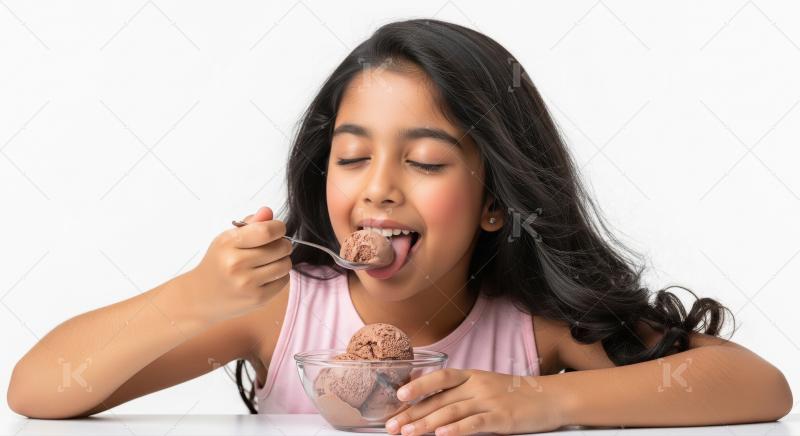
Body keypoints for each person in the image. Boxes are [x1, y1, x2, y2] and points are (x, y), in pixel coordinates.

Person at [8, 18, 792, 436]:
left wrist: (541, 402)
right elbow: (38, 391)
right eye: (352, 158)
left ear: (496, 200)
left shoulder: (534, 326)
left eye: (424, 161)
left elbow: (759, 387)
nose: (378, 188)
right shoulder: (279, 311)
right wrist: (191, 298)